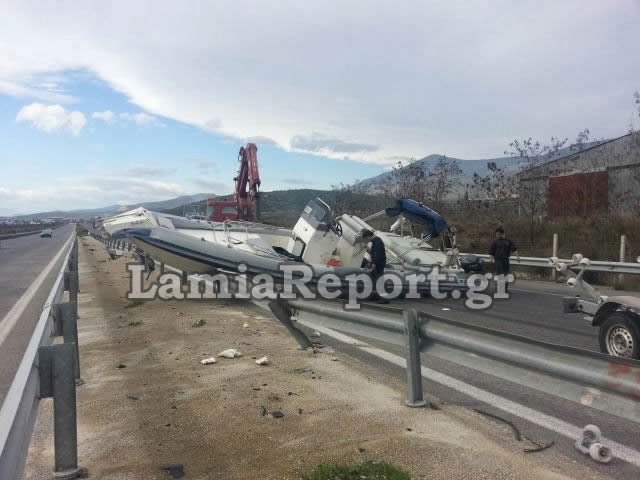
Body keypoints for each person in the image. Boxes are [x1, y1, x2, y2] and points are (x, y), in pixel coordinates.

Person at [361, 228, 389, 304]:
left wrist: (374, 263)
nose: (367, 240)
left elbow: (378, 254)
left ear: (369, 236)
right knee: (377, 280)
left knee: (379, 280)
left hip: (379, 264)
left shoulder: (377, 242)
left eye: (366, 238)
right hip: (378, 263)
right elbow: (375, 254)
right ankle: (377, 296)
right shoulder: (375, 241)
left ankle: (384, 298)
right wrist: (371, 262)